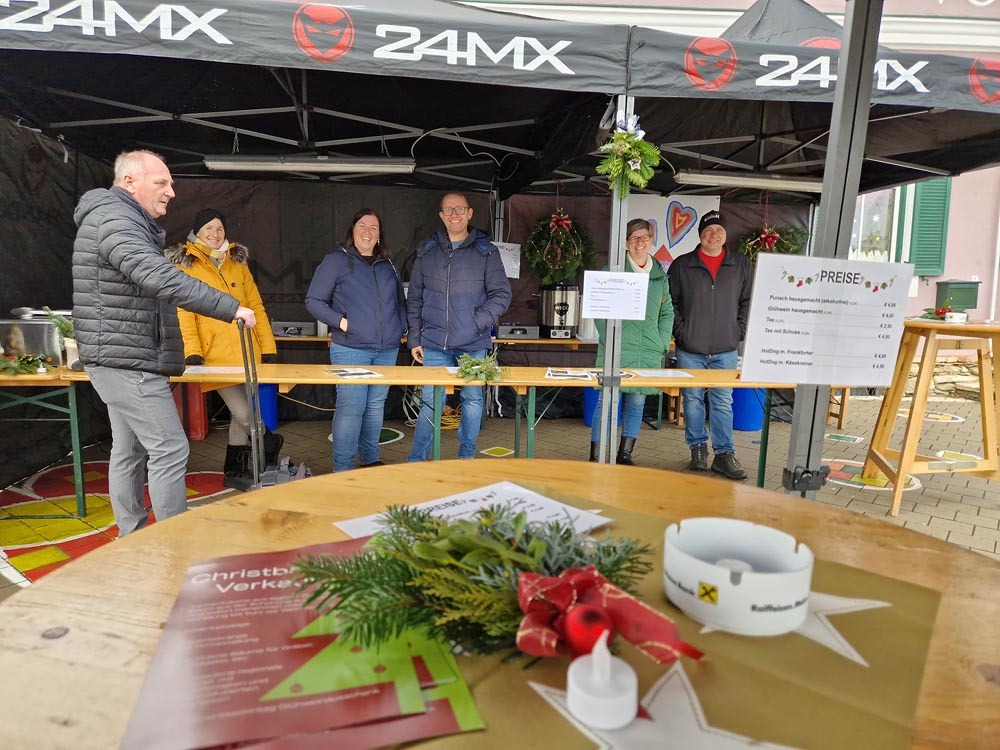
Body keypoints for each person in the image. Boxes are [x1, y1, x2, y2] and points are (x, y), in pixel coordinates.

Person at [72, 150, 257, 536]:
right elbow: (160, 277)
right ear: (129, 182)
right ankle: (171, 544)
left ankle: (134, 538)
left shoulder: (116, 217)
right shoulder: (116, 220)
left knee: (129, 450)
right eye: (161, 183)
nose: (171, 191)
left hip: (121, 356)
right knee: (170, 448)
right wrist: (230, 307)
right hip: (129, 360)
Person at [166, 209, 277, 488]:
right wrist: (192, 351)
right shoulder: (187, 265)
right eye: (208, 228)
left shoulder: (237, 263)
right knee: (244, 414)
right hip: (214, 356)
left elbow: (256, 306)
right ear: (197, 233)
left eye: (219, 229)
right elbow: (184, 313)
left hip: (247, 352)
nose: (214, 234)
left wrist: (267, 346)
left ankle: (234, 472)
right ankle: (270, 442)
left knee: (240, 416)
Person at [406, 193, 511, 461]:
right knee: (431, 402)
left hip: (473, 342)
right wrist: (414, 337)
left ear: (470, 213)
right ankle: (417, 461)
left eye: (460, 209)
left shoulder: (486, 251)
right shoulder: (427, 251)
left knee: (473, 400)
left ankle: (466, 460)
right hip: (434, 344)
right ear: (441, 216)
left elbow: (501, 294)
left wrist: (476, 322)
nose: (454, 214)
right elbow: (415, 297)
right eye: (449, 210)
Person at [305, 208, 406, 472]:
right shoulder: (336, 261)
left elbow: (400, 302)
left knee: (374, 407)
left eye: (373, 227)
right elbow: (313, 300)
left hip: (386, 349)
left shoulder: (388, 265)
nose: (367, 232)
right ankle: (343, 467)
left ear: (380, 234)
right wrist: (342, 323)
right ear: (352, 230)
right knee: (351, 408)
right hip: (350, 348)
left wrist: (401, 327)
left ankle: (370, 460)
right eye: (362, 225)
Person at [667, 210, 754, 480]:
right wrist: (682, 332)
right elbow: (671, 304)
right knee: (693, 400)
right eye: (708, 230)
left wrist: (738, 331)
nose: (713, 235)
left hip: (726, 348)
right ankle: (698, 449)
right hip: (690, 347)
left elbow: (747, 302)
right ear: (700, 235)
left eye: (718, 230)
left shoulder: (741, 265)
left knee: (723, 401)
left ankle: (724, 454)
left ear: (726, 234)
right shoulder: (682, 265)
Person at [588, 219, 674, 465]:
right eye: (634, 238)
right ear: (626, 243)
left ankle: (624, 455)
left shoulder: (660, 276)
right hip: (618, 348)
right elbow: (599, 309)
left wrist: (662, 341)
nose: (640, 242)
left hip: (648, 349)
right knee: (607, 402)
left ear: (651, 240)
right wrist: (610, 338)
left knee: (637, 400)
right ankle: (597, 456)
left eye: (644, 237)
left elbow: (667, 312)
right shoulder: (613, 271)